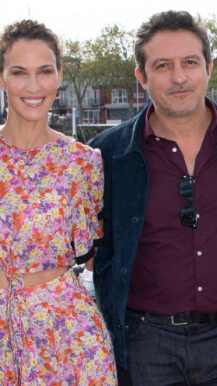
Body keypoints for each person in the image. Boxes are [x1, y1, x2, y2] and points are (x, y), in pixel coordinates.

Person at [89, 10, 217, 385]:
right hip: (144, 341)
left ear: (209, 68)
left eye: (190, 62)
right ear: (141, 77)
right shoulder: (105, 155)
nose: (179, 76)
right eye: (163, 65)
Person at [0, 20, 116, 384]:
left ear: (58, 77)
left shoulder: (82, 162)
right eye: (19, 72)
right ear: (2, 77)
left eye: (44, 72)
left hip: (68, 338)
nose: (33, 86)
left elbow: (95, 254)